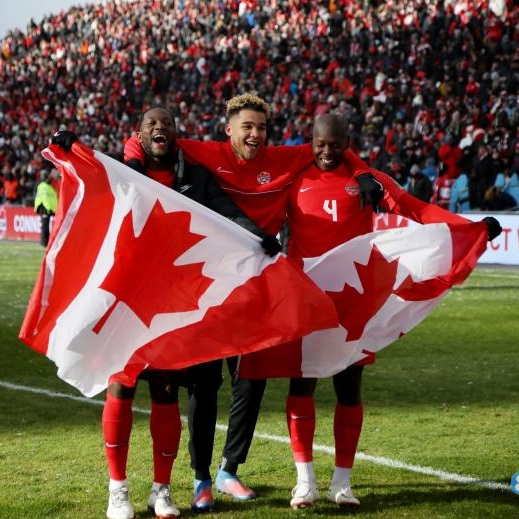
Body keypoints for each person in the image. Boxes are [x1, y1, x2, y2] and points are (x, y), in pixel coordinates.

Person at [123, 93, 373, 512]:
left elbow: (332, 145)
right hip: (211, 283)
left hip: (258, 280)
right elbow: (148, 137)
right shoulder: (207, 153)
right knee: (204, 383)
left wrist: (363, 171)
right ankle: (201, 479)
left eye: (261, 127)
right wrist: (132, 160)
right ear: (229, 130)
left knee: (251, 380)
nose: (255, 134)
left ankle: (229, 469)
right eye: (247, 127)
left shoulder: (284, 158)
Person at [51, 106, 280, 519]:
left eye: (167, 124)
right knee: (121, 386)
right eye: (151, 124)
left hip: (169, 301)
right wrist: (74, 148)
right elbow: (92, 173)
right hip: (126, 295)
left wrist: (258, 235)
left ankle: (162, 489)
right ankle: (118, 490)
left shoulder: (195, 177)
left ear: (175, 134)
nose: (160, 128)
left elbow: (225, 211)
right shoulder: (124, 171)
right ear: (139, 135)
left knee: (166, 390)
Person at [283, 114, 501, 509]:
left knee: (349, 389)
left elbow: (417, 210)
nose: (328, 152)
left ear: (347, 143)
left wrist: (471, 226)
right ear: (310, 142)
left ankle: (342, 484)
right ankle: (304, 482)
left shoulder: (369, 180)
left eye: (335, 145)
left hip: (353, 302)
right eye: (321, 144)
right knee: (302, 386)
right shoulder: (293, 178)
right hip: (307, 299)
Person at [34, 170, 58, 247]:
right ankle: (44, 243)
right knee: (45, 227)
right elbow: (44, 198)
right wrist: (49, 208)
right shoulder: (43, 186)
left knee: (47, 226)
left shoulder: (48, 186)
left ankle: (46, 242)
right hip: (45, 208)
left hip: (49, 209)